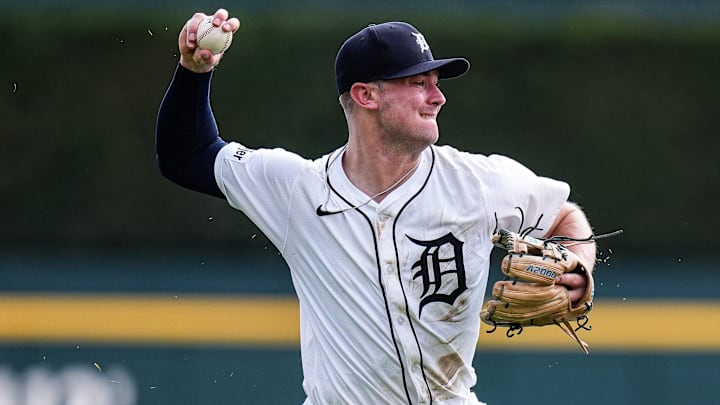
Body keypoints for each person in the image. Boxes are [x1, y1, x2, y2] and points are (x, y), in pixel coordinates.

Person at [156, 8, 597, 405]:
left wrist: (578, 267)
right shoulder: (298, 190)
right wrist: (193, 72)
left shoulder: (478, 183)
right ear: (366, 96)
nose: (437, 97)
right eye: (418, 83)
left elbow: (564, 214)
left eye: (436, 84)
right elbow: (187, 155)